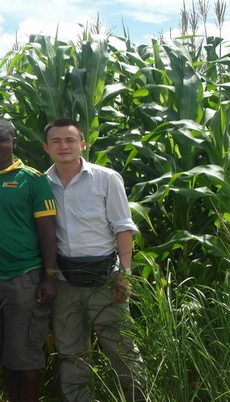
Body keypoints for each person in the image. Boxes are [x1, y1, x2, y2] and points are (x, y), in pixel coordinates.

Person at [43, 118, 146, 402]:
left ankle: (138, 397)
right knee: (70, 352)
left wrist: (125, 273)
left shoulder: (106, 178)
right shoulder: (41, 183)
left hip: (106, 279)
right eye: (56, 141)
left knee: (122, 348)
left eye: (70, 140)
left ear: (83, 144)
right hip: (64, 280)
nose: (63, 146)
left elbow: (123, 227)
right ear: (46, 147)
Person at [0, 119, 58, 402]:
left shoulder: (32, 179)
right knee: (1, 354)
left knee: (24, 354)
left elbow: (47, 230)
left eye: (1, 140)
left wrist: (50, 276)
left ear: (14, 143)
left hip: (23, 277)